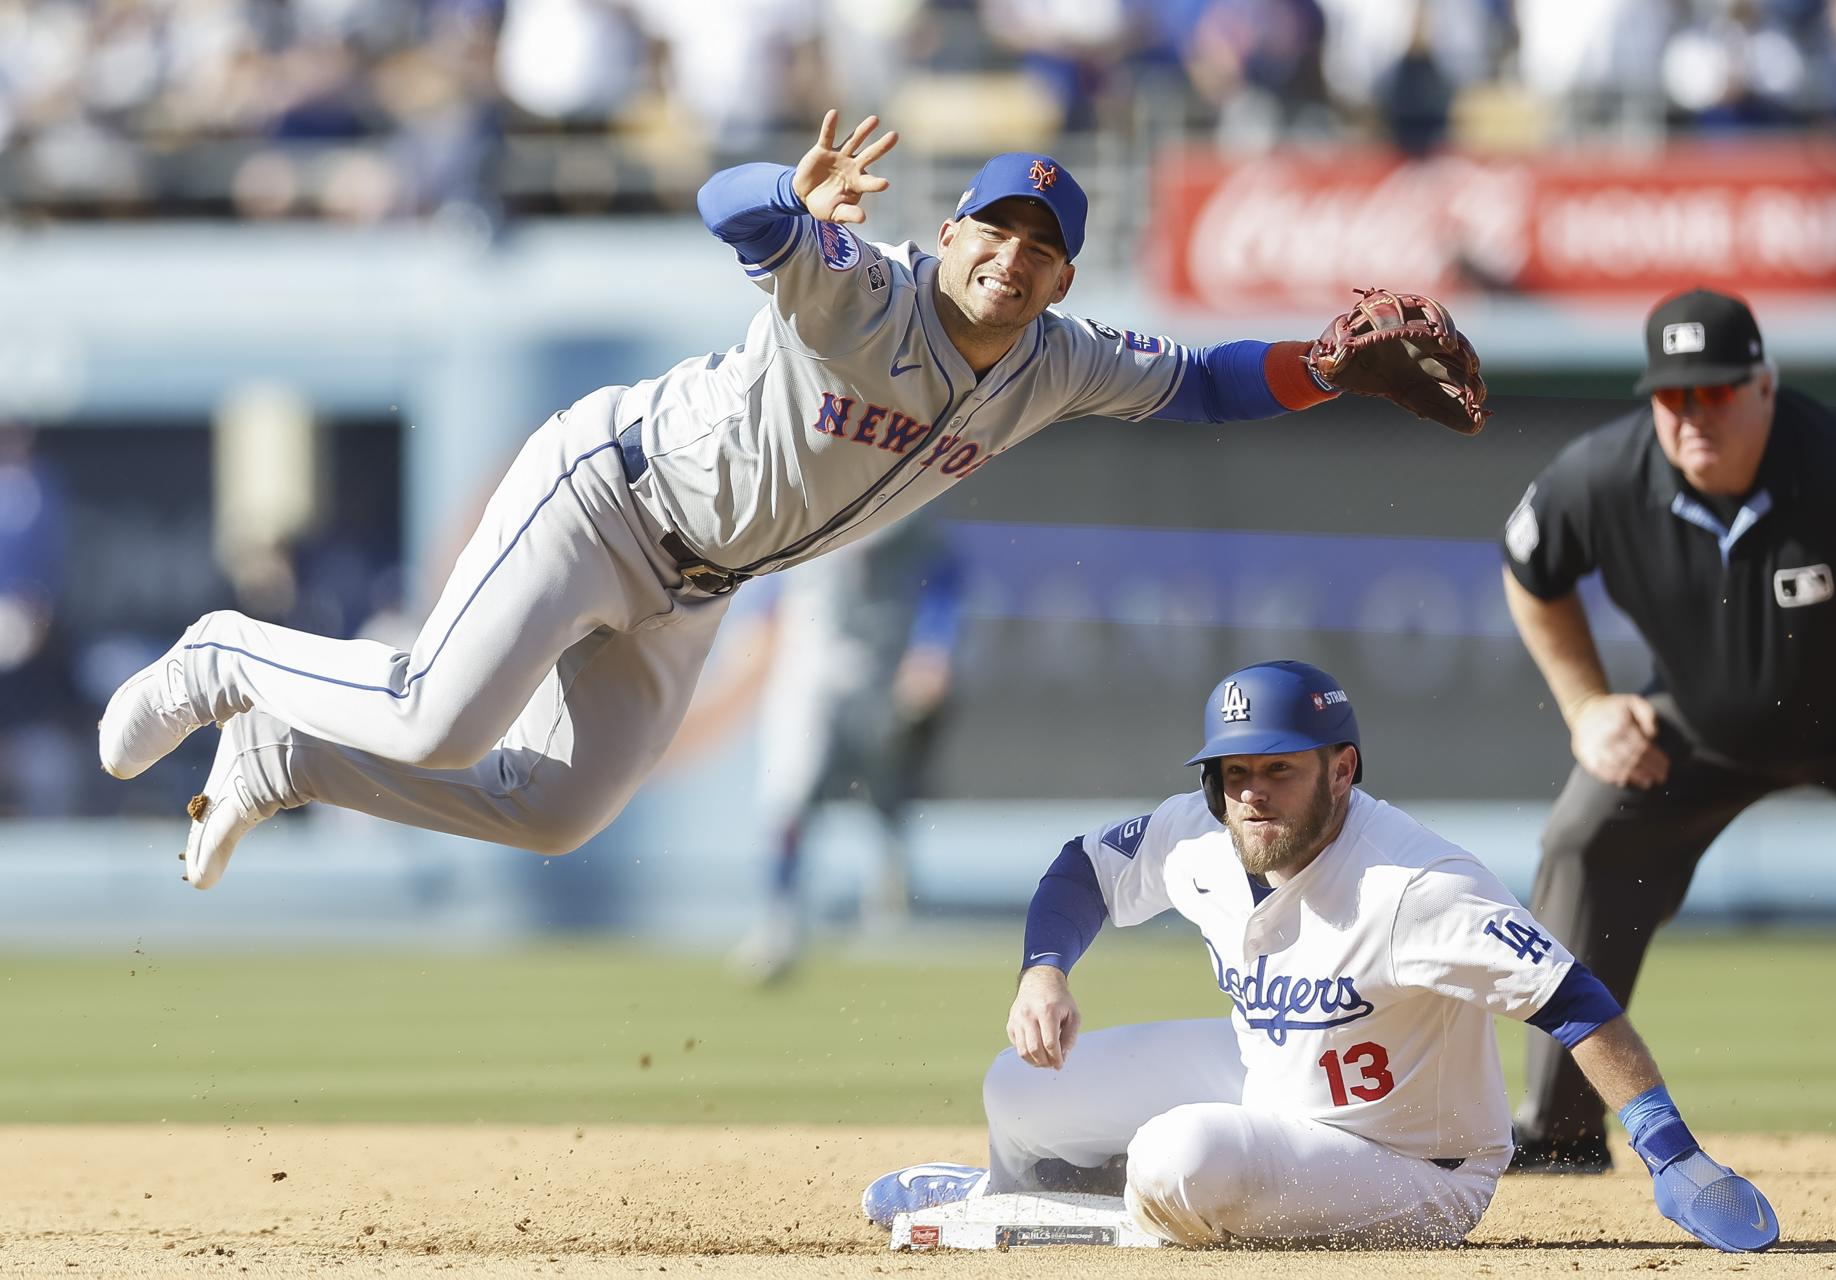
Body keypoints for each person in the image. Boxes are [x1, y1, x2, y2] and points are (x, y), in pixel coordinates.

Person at [96, 109, 1475, 890]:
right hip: (608, 497)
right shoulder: (861, 282)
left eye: (1042, 246)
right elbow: (725, 205)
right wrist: (786, 196)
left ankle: (284, 760)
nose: (1012, 254)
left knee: (559, 810)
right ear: (950, 235)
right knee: (433, 716)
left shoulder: (1060, 363)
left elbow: (1212, 386)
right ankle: (227, 656)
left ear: (1062, 281)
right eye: (993, 227)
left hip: (696, 589)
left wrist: (1326, 369)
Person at [861, 660, 1779, 1252]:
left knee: (1181, 1157)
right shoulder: (1202, 831)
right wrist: (1043, 971)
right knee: (1017, 1088)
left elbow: (1573, 1000)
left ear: (1343, 768)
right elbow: (1084, 872)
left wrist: (1676, 1156)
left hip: (1414, 1166)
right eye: (1234, 771)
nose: (1251, 794)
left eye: (1279, 768)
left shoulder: (1418, 885)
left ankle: (1061, 1227)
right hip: (1275, 1089)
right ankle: (1015, 1189)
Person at [1499, 287, 1836, 1173]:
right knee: (1583, 835)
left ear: (1765, 384)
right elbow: (1530, 570)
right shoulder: (1603, 477)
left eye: (1717, 391)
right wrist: (1587, 707)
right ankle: (1562, 1133)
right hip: (1698, 723)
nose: (1693, 414)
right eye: (1673, 395)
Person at [729, 507, 963, 982]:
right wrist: (759, 615)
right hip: (808, 672)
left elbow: (946, 573)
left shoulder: (906, 495)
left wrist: (933, 645)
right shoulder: (806, 489)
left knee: (886, 793)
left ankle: (889, 908)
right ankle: (778, 921)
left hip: (882, 667)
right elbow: (772, 565)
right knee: (788, 794)